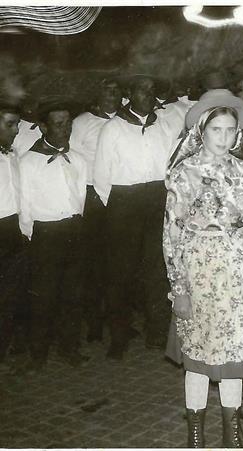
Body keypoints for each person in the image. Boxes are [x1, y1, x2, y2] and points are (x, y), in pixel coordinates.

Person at [164, 89, 243, 448]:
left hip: (240, 276)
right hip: (201, 274)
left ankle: (232, 434)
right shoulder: (184, 173)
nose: (224, 138)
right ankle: (196, 434)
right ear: (202, 130)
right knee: (198, 357)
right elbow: (172, 233)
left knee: (234, 358)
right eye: (216, 130)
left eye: (230, 130)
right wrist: (179, 287)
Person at [94, 73, 184, 360]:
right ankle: (119, 337)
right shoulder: (113, 128)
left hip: (157, 199)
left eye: (151, 90)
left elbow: (172, 167)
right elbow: (101, 177)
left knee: (157, 269)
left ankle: (156, 331)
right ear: (129, 95)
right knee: (120, 272)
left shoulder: (164, 126)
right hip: (124, 203)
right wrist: (120, 208)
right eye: (142, 91)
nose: (148, 96)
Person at [18, 97, 88, 373]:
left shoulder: (77, 158)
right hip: (45, 234)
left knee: (73, 293)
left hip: (74, 229)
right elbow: (25, 206)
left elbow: (80, 196)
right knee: (43, 297)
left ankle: (69, 347)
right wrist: (32, 237)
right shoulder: (28, 162)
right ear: (44, 127)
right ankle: (38, 353)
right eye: (59, 124)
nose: (65, 129)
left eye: (68, 123)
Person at [70, 77, 123, 343]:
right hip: (92, 199)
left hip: (121, 197)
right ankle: (94, 322)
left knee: (119, 262)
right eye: (107, 90)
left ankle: (119, 321)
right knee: (93, 263)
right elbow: (72, 163)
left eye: (116, 90)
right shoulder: (81, 123)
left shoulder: (125, 121)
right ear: (97, 94)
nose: (112, 95)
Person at [0, 103, 24, 362]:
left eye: (17, 123)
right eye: (10, 124)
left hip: (13, 229)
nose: (17, 130)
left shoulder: (13, 153)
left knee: (10, 295)